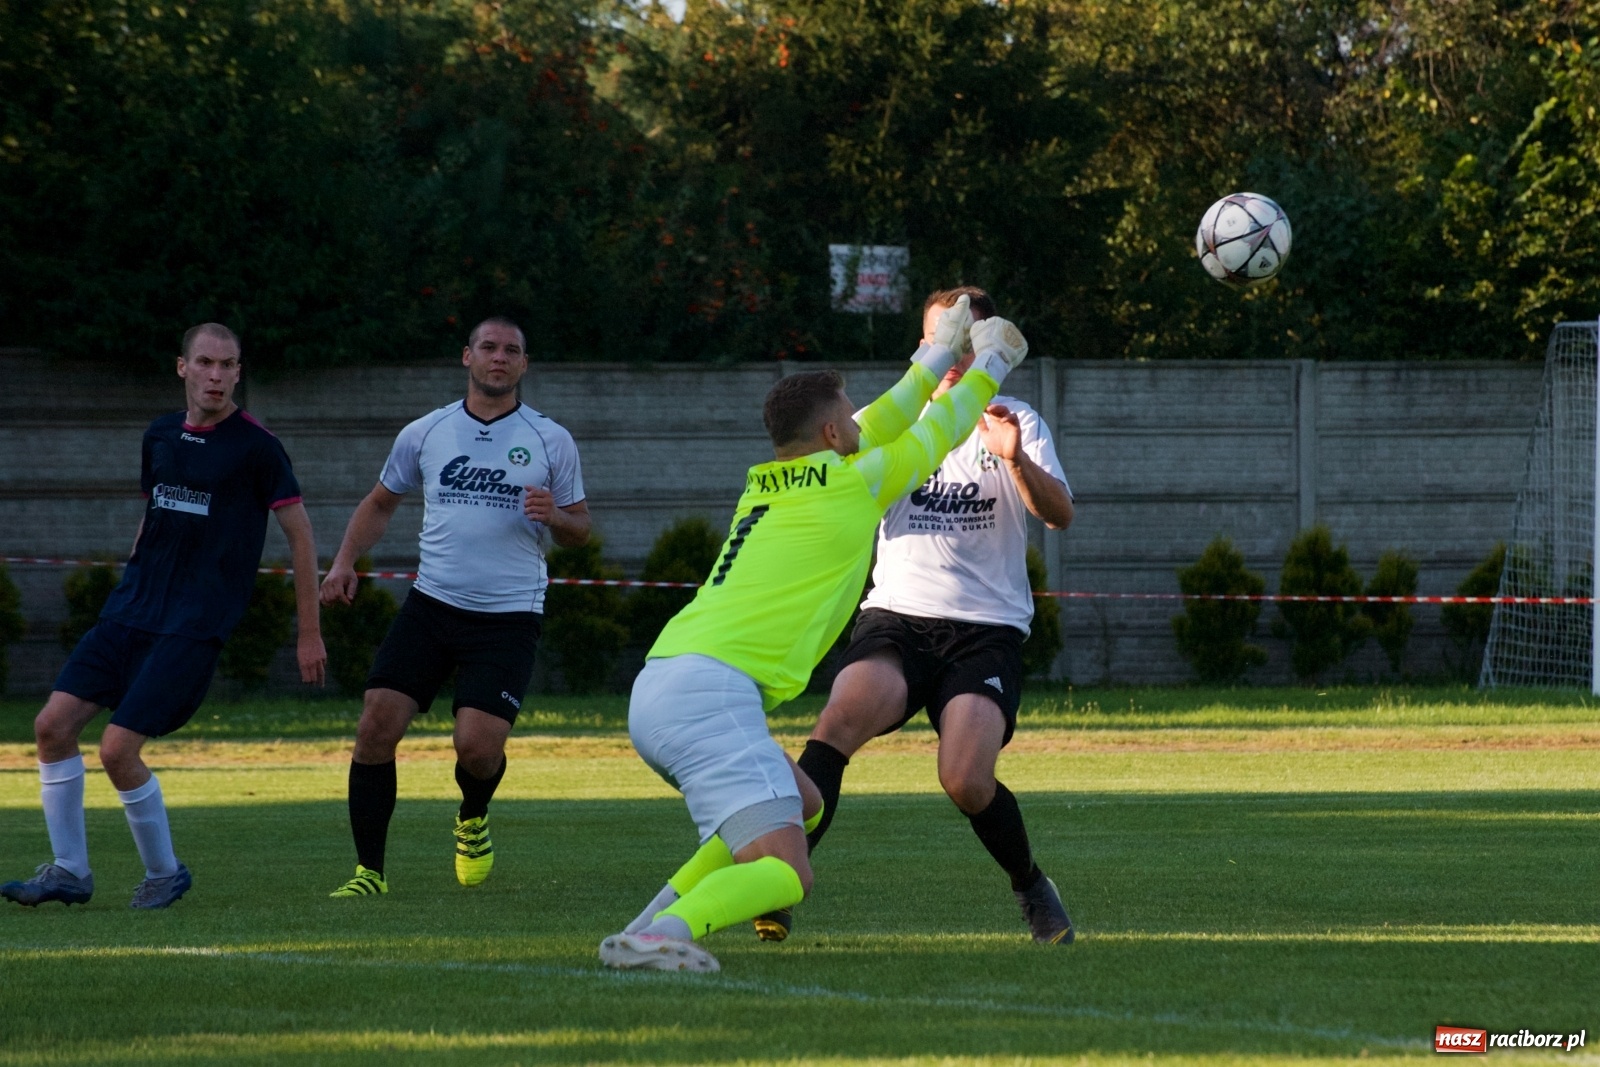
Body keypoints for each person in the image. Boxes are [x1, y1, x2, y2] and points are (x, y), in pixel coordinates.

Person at [599, 296, 1031, 972]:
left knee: (804, 800)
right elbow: (938, 429)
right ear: (831, 433)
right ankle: (666, 933)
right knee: (788, 874)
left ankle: (643, 925)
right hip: (710, 696)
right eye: (847, 412)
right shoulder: (851, 485)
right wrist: (992, 364)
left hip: (664, 683)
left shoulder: (768, 480)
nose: (862, 417)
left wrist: (940, 350)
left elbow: (884, 415)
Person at [1, 323, 327, 910]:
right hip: (131, 612)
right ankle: (70, 871)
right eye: (205, 362)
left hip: (193, 624)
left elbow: (300, 537)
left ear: (238, 373)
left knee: (118, 750)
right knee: (51, 727)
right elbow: (154, 515)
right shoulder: (158, 436)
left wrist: (309, 634)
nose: (216, 376)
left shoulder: (257, 446)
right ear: (182, 367)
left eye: (228, 366)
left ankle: (164, 873)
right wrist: (132, 575)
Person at [790, 286, 1077, 945]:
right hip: (897, 620)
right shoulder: (880, 424)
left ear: (990, 345)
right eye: (941, 336)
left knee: (966, 778)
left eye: (968, 336)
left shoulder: (1015, 418)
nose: (954, 349)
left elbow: (1059, 513)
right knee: (837, 722)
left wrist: (1014, 458)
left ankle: (1032, 884)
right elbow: (823, 502)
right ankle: (779, 873)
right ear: (923, 346)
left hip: (985, 630)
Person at [321, 316, 589, 898]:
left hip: (510, 615)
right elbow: (380, 502)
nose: (499, 358)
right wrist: (344, 561)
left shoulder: (551, 439)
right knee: (375, 724)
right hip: (432, 604)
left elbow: (581, 530)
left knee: (476, 746)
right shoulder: (426, 432)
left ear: (524, 365)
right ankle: (369, 873)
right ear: (466, 356)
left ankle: (472, 815)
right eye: (488, 348)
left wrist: (559, 517)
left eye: (511, 351)